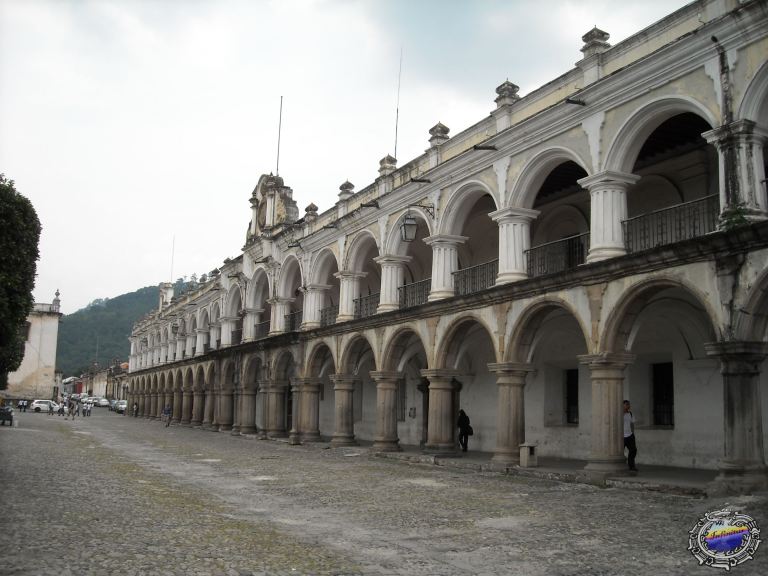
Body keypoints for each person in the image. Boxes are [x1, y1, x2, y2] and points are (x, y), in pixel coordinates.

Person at [623, 400, 638, 472]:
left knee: (633, 450)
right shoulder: (620, 414)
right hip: (621, 437)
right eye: (626, 404)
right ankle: (620, 466)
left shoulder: (631, 414)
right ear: (622, 406)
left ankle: (631, 466)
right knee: (619, 452)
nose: (628, 406)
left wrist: (632, 432)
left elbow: (632, 423)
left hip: (630, 435)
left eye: (628, 404)